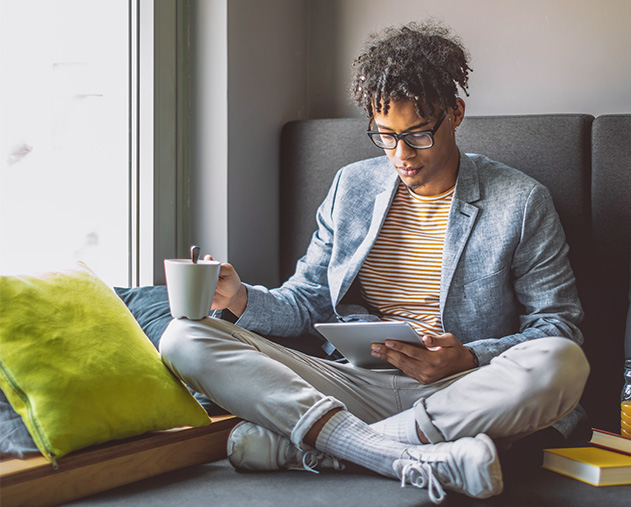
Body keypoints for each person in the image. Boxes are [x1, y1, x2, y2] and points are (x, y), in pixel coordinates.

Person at [159, 20, 589, 504]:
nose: (402, 155)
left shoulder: (521, 201)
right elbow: (307, 301)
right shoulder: (351, 187)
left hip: (461, 389)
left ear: (456, 113)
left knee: (563, 363)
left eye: (418, 135)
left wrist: (468, 356)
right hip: (353, 382)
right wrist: (239, 300)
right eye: (386, 136)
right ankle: (404, 453)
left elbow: (558, 327)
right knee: (184, 336)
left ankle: (329, 448)